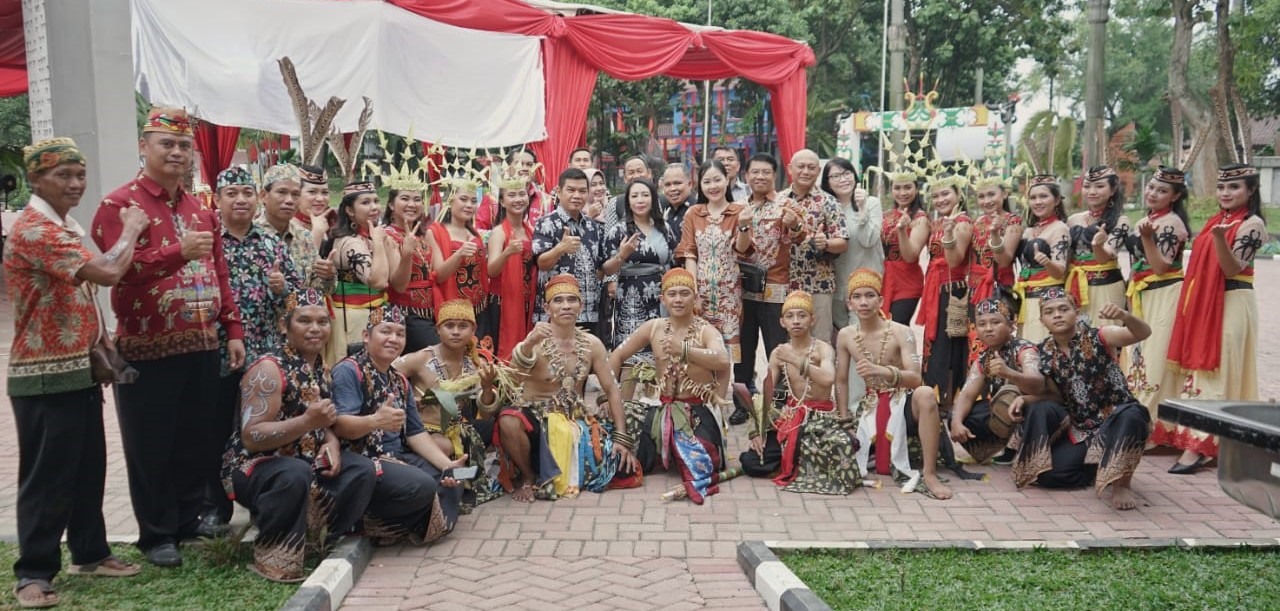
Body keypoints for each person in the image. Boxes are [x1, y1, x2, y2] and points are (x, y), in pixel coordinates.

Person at [92, 107, 245, 567]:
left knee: (194, 439)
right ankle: (156, 533)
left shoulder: (200, 208)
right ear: (144, 147)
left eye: (183, 145)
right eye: (166, 144)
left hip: (202, 342)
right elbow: (118, 272)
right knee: (150, 442)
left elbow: (220, 271)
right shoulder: (120, 205)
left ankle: (185, 521)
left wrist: (232, 328)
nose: (177, 152)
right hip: (146, 347)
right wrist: (178, 252)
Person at [7, 137, 145, 607]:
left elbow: (81, 291)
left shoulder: (61, 226)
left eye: (79, 174)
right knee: (47, 475)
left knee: (88, 466)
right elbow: (107, 273)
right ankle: (33, 572)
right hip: (43, 371)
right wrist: (130, 230)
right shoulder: (33, 229)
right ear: (36, 178)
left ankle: (90, 552)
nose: (75, 184)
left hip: (78, 367)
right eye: (62, 175)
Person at [222, 289, 375, 582]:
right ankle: (275, 552)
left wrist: (331, 444)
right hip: (256, 467)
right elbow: (252, 436)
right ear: (284, 326)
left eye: (322, 321)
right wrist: (306, 422)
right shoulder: (268, 368)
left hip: (304, 462)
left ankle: (319, 537)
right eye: (305, 321)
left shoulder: (321, 368)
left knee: (362, 469)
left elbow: (326, 423)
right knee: (293, 473)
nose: (315, 329)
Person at [205, 165, 302, 536]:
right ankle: (215, 507)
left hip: (263, 356)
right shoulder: (210, 241)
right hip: (217, 352)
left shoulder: (270, 243)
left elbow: (294, 299)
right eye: (232, 194)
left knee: (260, 429)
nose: (241, 200)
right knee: (215, 429)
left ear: (256, 197)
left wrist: (280, 288)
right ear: (218, 199)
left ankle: (262, 501)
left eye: (247, 192)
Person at [495, 275, 639, 501]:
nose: (565, 306)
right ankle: (528, 476)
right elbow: (510, 382)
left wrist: (621, 437)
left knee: (623, 463)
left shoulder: (592, 344)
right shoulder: (533, 342)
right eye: (558, 300)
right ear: (546, 307)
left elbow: (612, 389)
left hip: (574, 423)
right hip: (536, 420)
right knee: (508, 419)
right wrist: (529, 344)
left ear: (581, 305)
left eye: (572, 300)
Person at [331, 304, 467, 545]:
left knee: (457, 478)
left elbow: (415, 433)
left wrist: (448, 465)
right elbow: (340, 426)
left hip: (397, 456)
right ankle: (366, 521)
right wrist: (374, 421)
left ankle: (404, 526)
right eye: (386, 331)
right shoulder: (349, 370)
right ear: (366, 336)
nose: (393, 339)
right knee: (423, 486)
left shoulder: (399, 380)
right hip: (363, 460)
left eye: (400, 334)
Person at [1162, 163, 1264, 473]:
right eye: (1222, 187)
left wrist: (1220, 239)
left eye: (1234, 187)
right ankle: (1209, 438)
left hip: (1232, 300)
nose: (1226, 193)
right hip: (1207, 302)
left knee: (1221, 367)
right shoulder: (1216, 221)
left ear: (1251, 191)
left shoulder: (1252, 223)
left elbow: (1232, 268)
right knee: (1207, 370)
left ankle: (1203, 444)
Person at [1010, 289, 1151, 510]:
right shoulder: (1044, 352)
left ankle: (1122, 484)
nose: (1057, 315)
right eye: (1049, 311)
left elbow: (1142, 333)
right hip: (1083, 429)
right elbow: (1054, 396)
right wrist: (1027, 399)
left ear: (1076, 312)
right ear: (1042, 320)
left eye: (1063, 309)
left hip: (1118, 418)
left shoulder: (1100, 336)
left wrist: (1126, 317)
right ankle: (1099, 468)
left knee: (1134, 414)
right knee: (1051, 477)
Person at [608, 269, 732, 504]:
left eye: (684, 293)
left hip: (696, 412)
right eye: (672, 294)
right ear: (662, 299)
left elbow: (723, 360)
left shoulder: (706, 330)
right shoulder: (654, 327)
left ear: (695, 298)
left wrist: (683, 349)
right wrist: (608, 397)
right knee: (618, 454)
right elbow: (617, 356)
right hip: (660, 410)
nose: (678, 299)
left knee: (703, 460)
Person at [834, 269, 952, 499]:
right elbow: (840, 380)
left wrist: (883, 371)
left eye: (869, 296)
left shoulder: (901, 332)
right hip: (870, 406)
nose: (863, 302)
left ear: (881, 300)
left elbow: (916, 378)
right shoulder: (846, 335)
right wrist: (844, 420)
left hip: (903, 402)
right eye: (857, 297)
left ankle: (929, 474)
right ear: (849, 304)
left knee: (926, 394)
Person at [394, 299, 505, 511]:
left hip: (455, 430)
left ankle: (459, 483)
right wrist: (406, 400)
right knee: (445, 447)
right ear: (438, 329)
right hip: (423, 432)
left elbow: (485, 410)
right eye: (449, 326)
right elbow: (385, 375)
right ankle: (438, 486)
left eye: (463, 326)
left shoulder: (475, 364)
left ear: (473, 329)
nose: (455, 332)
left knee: (487, 433)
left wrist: (488, 387)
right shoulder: (420, 358)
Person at [761, 290, 859, 495]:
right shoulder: (779, 353)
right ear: (782, 322)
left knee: (841, 445)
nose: (796, 321)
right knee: (754, 461)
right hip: (791, 417)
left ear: (812, 320)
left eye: (802, 315)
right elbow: (767, 389)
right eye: (790, 316)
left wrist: (795, 359)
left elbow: (827, 378)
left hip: (822, 417)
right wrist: (758, 428)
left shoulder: (823, 349)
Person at [1126, 168, 1191, 445]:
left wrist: (1148, 239)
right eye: (1151, 187)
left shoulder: (1173, 224)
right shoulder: (1147, 220)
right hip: (1143, 296)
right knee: (1137, 357)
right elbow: (1135, 266)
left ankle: (1152, 426)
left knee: (1155, 360)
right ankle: (1138, 419)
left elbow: (1161, 267)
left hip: (1165, 294)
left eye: (1162, 190)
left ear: (1175, 196)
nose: (1153, 193)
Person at [737, 153, 807, 405]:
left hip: (776, 291)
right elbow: (737, 248)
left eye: (766, 172)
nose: (760, 176)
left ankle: (779, 402)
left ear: (774, 175)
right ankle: (742, 404)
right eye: (755, 172)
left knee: (776, 349)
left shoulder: (786, 205)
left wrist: (796, 225)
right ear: (746, 176)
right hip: (742, 292)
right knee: (742, 351)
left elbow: (802, 238)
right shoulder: (738, 207)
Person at [948, 298, 1043, 464]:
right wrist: (956, 422)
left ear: (1011, 326)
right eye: (982, 324)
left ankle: (1020, 449)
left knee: (1012, 398)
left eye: (995, 322)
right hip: (1007, 415)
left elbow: (1037, 385)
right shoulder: (984, 358)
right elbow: (967, 395)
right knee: (957, 414)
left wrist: (1010, 373)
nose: (988, 329)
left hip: (1033, 409)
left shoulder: (1024, 350)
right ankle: (994, 450)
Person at [676, 160, 745, 381]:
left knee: (724, 353)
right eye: (707, 181)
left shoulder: (739, 212)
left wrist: (744, 226)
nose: (713, 186)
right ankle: (700, 398)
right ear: (700, 185)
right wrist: (692, 292)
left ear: (728, 180)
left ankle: (721, 403)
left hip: (729, 294)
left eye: (717, 179)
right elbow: (689, 254)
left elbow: (743, 249)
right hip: (701, 292)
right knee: (700, 347)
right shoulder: (694, 214)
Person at [603, 178, 677, 354]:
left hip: (661, 296)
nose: (640, 200)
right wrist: (622, 255)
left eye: (645, 195)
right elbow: (606, 269)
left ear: (653, 198)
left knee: (661, 348)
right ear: (628, 201)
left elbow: (674, 263)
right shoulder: (619, 230)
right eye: (634, 196)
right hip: (630, 294)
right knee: (631, 350)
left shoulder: (664, 228)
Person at [917, 176, 973, 406]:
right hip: (936, 288)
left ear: (959, 195)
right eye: (936, 196)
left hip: (953, 290)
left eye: (946, 194)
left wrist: (949, 235)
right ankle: (934, 397)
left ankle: (950, 400)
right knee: (936, 346)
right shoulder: (937, 222)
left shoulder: (963, 222)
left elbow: (955, 260)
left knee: (949, 347)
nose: (940, 200)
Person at [782, 150, 849, 339]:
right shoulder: (779, 200)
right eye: (800, 166)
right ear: (790, 169)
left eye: (811, 167)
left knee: (820, 341)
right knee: (787, 342)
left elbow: (843, 241)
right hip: (784, 284)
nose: (805, 171)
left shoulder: (828, 202)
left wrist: (825, 243)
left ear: (818, 171)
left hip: (818, 283)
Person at [531, 169, 609, 329]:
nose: (577, 195)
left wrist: (621, 255)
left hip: (588, 311)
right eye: (571, 190)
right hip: (556, 312)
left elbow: (601, 268)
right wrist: (560, 248)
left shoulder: (593, 226)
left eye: (582, 191)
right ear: (559, 192)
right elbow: (541, 264)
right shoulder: (546, 223)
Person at [323, 181, 390, 364]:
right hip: (353, 318)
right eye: (366, 202)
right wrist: (377, 243)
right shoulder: (350, 242)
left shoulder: (370, 236)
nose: (374, 207)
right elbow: (377, 282)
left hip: (372, 313)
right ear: (350, 211)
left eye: (376, 201)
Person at [426, 179, 495, 353]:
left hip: (479, 307)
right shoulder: (435, 232)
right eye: (463, 199)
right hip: (453, 310)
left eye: (473, 201)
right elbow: (439, 275)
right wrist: (459, 254)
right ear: (450, 200)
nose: (469, 205)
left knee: (482, 357)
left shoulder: (473, 232)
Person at [823, 158, 884, 333]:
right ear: (827, 182)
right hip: (836, 286)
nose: (843, 179)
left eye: (846, 173)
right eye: (835, 176)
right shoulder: (826, 208)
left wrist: (862, 208)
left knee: (859, 335)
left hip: (865, 284)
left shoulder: (872, 203)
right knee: (842, 336)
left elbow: (869, 240)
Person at [257, 164, 336, 294]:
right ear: (263, 196)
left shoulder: (303, 237)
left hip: (300, 313)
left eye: (295, 194)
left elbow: (319, 289)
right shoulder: (251, 235)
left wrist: (327, 276)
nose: (289, 200)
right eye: (282, 192)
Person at [1067, 165, 1130, 326]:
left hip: (1105, 286)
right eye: (1087, 186)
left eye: (1099, 186)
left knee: (1105, 335)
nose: (1092, 191)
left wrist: (1097, 245)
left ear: (1113, 189)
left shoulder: (1120, 221)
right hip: (1075, 285)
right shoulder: (1073, 219)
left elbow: (1104, 258)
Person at [382, 178, 436, 354]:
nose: (412, 204)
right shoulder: (387, 236)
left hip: (432, 312)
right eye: (405, 198)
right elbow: (398, 285)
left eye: (417, 199)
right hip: (406, 314)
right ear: (391, 204)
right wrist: (407, 254)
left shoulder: (423, 236)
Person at [486, 175, 537, 360]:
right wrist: (507, 253)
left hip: (527, 300)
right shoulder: (499, 233)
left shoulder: (531, 231)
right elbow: (491, 270)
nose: (518, 199)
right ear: (502, 201)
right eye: (512, 195)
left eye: (522, 194)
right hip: (502, 302)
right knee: (504, 352)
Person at [1014, 175, 1070, 342]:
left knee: (1043, 348)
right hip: (1028, 299)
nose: (1037, 202)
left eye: (1043, 196)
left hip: (1049, 300)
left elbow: (1059, 272)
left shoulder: (1060, 229)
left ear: (1057, 199)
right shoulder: (1029, 231)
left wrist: (1046, 262)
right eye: (1033, 197)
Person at [879, 171, 929, 325]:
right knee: (881, 331)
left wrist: (901, 230)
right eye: (897, 188)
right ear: (891, 190)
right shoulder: (885, 215)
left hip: (906, 282)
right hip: (882, 279)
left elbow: (911, 256)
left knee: (897, 328)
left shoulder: (920, 219)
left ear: (916, 188)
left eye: (907, 187)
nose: (902, 193)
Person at [968, 176, 1022, 304]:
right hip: (974, 287)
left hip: (999, 287)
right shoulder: (977, 222)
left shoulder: (1013, 222)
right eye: (981, 196)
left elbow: (1004, 261)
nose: (986, 201)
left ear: (1004, 194)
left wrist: (995, 234)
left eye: (991, 194)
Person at [295, 163, 337, 252]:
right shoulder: (287, 227)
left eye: (325, 192)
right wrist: (317, 233)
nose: (320, 199)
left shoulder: (335, 220)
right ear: (297, 194)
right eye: (312, 192)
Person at [660, 164, 695, 246]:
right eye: (668, 185)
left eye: (677, 183)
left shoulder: (698, 211)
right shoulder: (663, 210)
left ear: (689, 184)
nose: (672, 189)